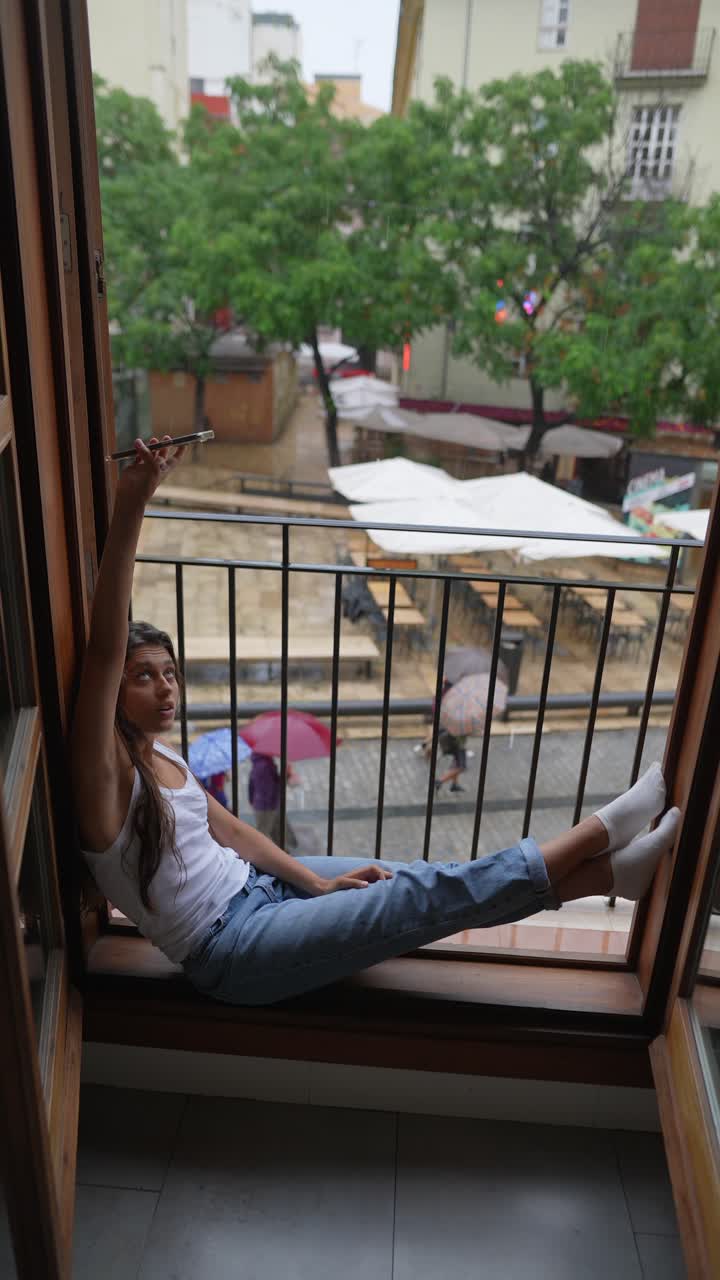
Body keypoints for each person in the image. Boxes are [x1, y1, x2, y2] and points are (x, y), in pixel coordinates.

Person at [71, 436, 681, 1008]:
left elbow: (237, 836)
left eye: (171, 673)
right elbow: (101, 649)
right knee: (418, 898)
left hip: (263, 890)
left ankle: (611, 873)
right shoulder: (101, 778)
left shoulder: (164, 757)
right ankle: (598, 833)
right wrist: (133, 502)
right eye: (143, 676)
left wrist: (313, 882)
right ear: (111, 691)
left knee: (412, 876)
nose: (166, 688)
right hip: (233, 947)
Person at [248, 751, 299, 851]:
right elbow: (270, 788)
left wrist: (251, 798)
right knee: (263, 834)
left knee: (276, 830)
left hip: (265, 804)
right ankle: (265, 857)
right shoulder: (265, 766)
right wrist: (285, 775)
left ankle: (282, 852)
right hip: (267, 806)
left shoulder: (260, 762)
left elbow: (252, 783)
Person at [434, 730, 467, 794]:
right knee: (461, 767)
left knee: (456, 765)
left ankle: (454, 785)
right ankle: (440, 781)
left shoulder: (453, 723)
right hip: (458, 746)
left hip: (453, 745)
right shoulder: (461, 725)